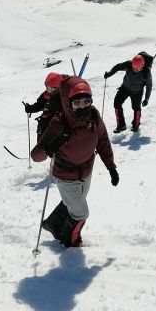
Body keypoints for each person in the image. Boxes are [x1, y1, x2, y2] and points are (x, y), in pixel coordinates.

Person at [31, 76, 118, 248]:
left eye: (87, 101)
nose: (83, 106)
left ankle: (54, 224)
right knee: (80, 213)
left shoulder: (93, 115)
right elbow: (36, 156)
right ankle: (70, 243)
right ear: (68, 103)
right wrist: (50, 147)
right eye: (77, 103)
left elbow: (102, 140)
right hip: (66, 175)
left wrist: (111, 167)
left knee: (74, 203)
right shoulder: (59, 122)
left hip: (86, 171)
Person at [103, 51, 154, 133]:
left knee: (136, 108)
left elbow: (149, 85)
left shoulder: (146, 72)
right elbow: (118, 67)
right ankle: (121, 125)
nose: (135, 70)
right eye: (134, 68)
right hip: (125, 88)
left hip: (137, 92)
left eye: (137, 69)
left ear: (142, 66)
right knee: (117, 103)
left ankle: (136, 125)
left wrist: (146, 98)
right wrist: (109, 74)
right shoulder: (129, 64)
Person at [24, 72, 63, 139]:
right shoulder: (46, 94)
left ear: (56, 88)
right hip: (44, 126)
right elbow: (40, 105)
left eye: (49, 88)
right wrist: (30, 108)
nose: (47, 89)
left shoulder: (63, 98)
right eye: (46, 87)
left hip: (56, 128)